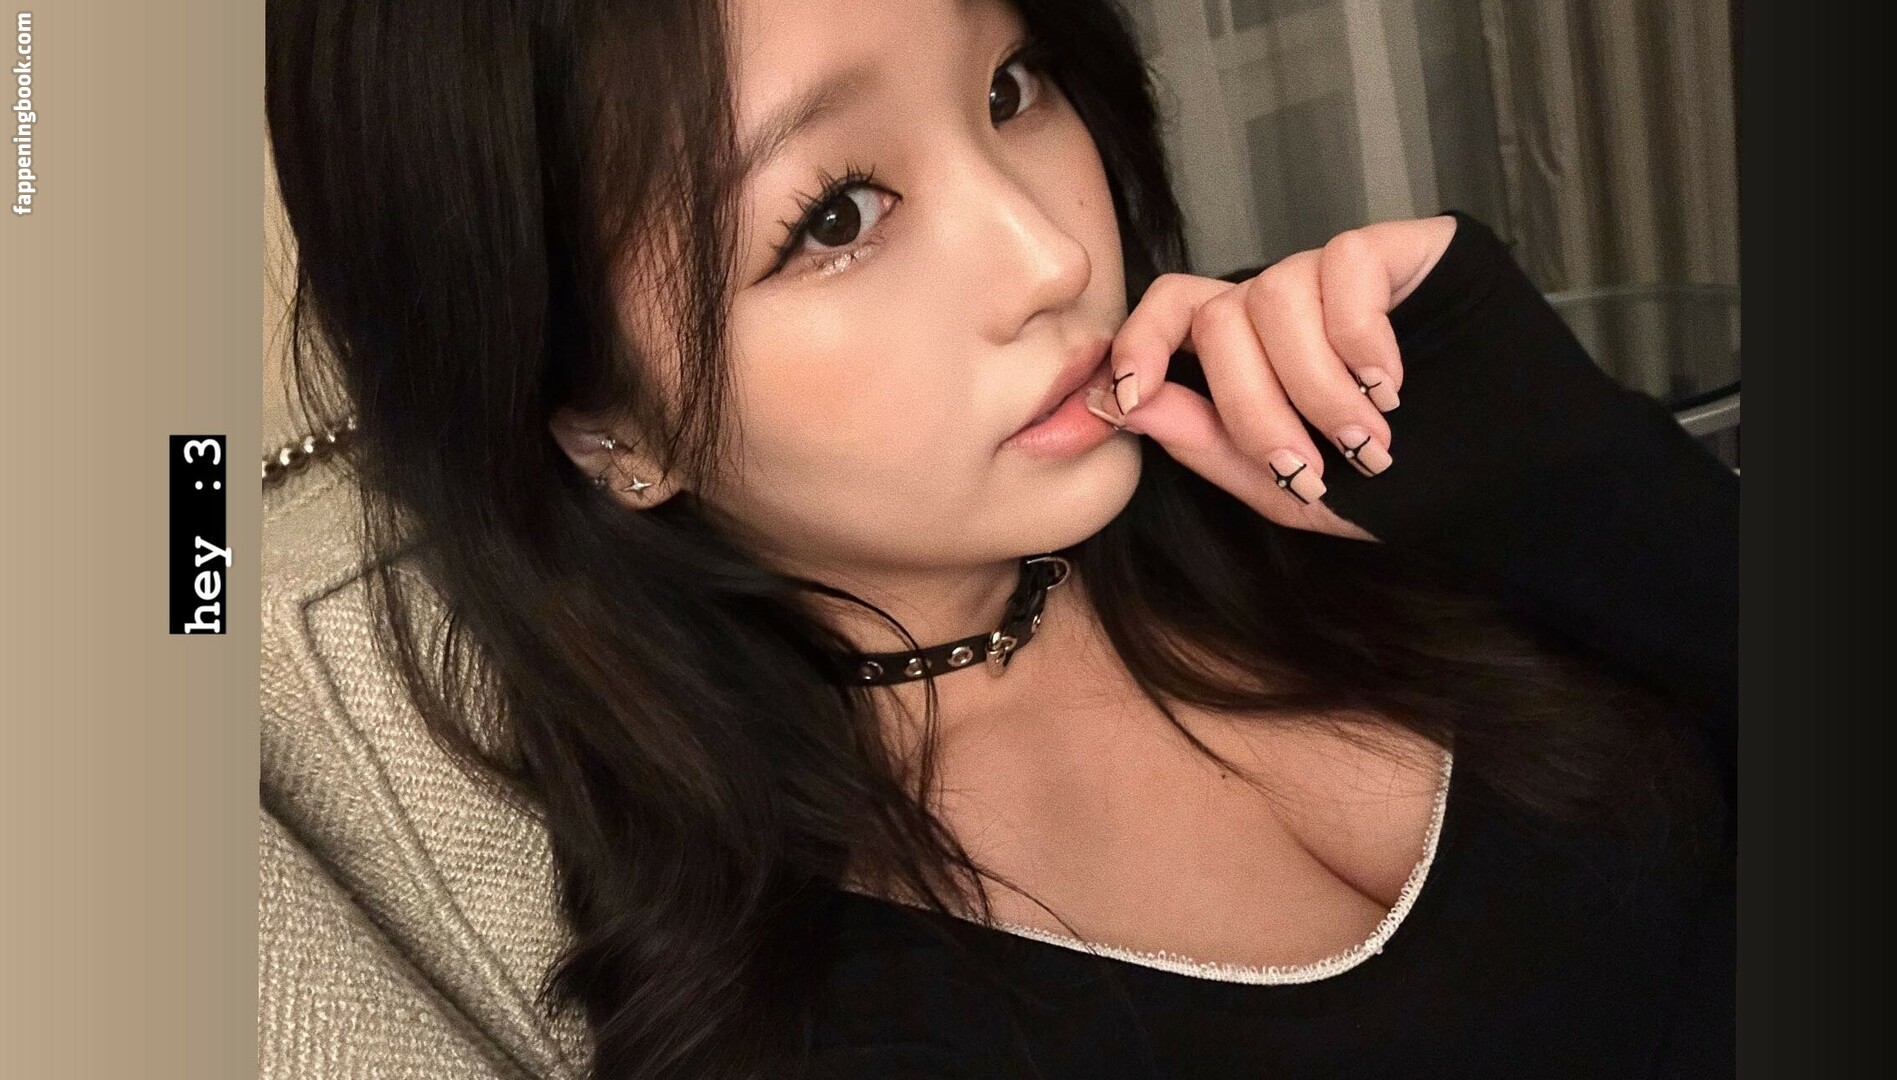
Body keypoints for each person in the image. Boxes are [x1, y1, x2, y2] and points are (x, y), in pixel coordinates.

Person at [265, 0, 1735, 1076]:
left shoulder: (1296, 443)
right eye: (835, 217)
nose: (1056, 257)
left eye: (1010, 87)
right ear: (605, 429)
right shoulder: (838, 1015)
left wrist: (1571, 473)